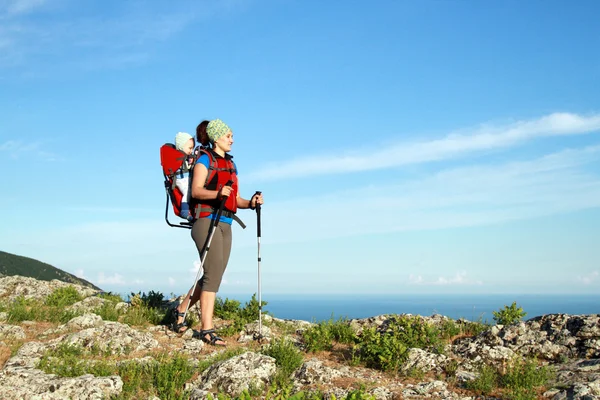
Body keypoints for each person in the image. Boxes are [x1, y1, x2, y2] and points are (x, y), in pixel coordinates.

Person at [171, 119, 264, 346]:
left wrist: (251, 203)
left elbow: (235, 198)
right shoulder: (204, 159)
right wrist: (217, 194)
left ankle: (181, 309)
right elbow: (196, 191)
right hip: (205, 221)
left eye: (232, 136)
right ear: (216, 137)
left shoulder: (232, 165)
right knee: (212, 275)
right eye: (229, 136)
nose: (232, 139)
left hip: (226, 223)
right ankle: (207, 329)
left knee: (215, 275)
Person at [174, 132, 195, 221]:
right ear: (181, 146)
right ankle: (184, 211)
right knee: (188, 192)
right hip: (181, 179)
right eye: (189, 148)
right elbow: (185, 167)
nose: (191, 150)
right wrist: (190, 163)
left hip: (186, 178)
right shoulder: (179, 156)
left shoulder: (185, 156)